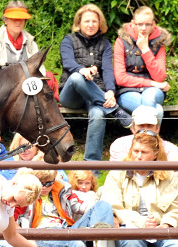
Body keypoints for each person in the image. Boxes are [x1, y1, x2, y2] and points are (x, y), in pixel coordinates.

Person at [100, 130, 178, 247]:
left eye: (143, 152)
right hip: (130, 227)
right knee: (133, 239)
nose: (138, 156)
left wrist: (166, 224)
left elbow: (175, 206)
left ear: (155, 155)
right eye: (135, 151)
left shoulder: (169, 175)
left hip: (160, 229)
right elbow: (112, 205)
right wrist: (141, 222)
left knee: (175, 244)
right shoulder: (117, 173)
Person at [58, 3, 132, 164]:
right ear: (79, 23)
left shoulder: (105, 44)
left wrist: (111, 91)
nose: (91, 25)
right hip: (72, 94)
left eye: (94, 21)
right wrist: (81, 69)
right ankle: (116, 110)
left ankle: (92, 167)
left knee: (98, 115)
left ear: (100, 24)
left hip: (95, 94)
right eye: (86, 21)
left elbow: (107, 70)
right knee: (78, 77)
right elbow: (68, 62)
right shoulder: (68, 40)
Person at [114, 6, 171, 122]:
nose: (143, 28)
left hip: (153, 91)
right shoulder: (121, 42)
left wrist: (145, 49)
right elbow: (120, 78)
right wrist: (152, 83)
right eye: (139, 24)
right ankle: (150, 139)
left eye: (148, 24)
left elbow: (160, 76)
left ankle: (142, 139)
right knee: (158, 110)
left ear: (153, 24)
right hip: (127, 92)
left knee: (149, 97)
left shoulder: (159, 43)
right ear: (133, 23)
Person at [109, 105, 178, 161]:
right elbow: (117, 174)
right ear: (133, 128)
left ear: (157, 128)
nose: (145, 130)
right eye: (141, 125)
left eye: (150, 125)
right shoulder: (119, 145)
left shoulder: (171, 150)